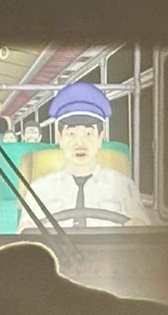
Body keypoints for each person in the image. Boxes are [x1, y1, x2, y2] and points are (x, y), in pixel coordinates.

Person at [17, 80, 149, 231]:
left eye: (88, 134)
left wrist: (138, 226)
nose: (80, 143)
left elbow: (145, 234)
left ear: (100, 138)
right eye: (71, 134)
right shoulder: (39, 189)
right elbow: (24, 237)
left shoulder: (124, 186)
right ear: (59, 138)